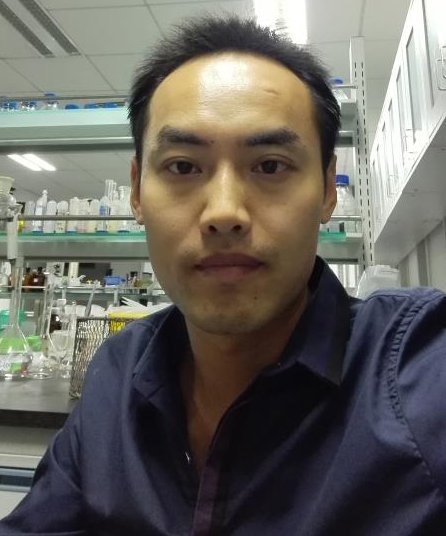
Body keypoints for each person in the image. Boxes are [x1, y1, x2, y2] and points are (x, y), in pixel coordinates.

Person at [1, 15, 446, 536]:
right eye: (183, 167)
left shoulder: (417, 371)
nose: (225, 212)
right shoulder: (117, 375)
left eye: (271, 165)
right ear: (137, 192)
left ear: (328, 191)